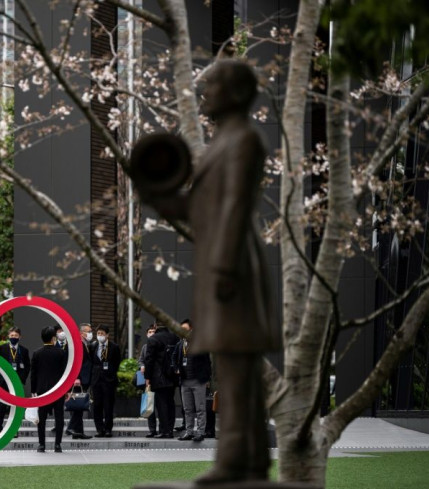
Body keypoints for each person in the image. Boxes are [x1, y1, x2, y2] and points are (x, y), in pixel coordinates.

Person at [130, 60, 280, 483]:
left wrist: (226, 269)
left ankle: (244, 461)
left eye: (211, 87)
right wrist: (156, 194)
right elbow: (201, 210)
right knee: (230, 369)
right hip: (221, 262)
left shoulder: (244, 140)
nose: (205, 94)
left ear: (233, 93)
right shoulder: (222, 143)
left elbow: (233, 207)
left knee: (238, 368)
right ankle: (239, 459)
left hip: (233, 265)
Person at [30, 326, 67, 453]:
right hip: (58, 390)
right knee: (59, 417)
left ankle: (41, 445)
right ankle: (58, 445)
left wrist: (33, 390)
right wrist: (66, 390)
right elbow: (64, 373)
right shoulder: (61, 352)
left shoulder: (37, 353)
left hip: (42, 390)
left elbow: (33, 374)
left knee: (41, 418)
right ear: (53, 338)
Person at [174, 319, 211, 442]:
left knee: (200, 408)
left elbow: (207, 362)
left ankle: (200, 432)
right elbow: (175, 359)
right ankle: (189, 431)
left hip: (198, 380)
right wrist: (176, 368)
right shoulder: (180, 344)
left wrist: (206, 379)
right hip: (184, 381)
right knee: (187, 408)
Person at [0, 327, 30, 436]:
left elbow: (27, 366)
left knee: (15, 407)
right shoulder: (2, 348)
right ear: (9, 336)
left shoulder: (24, 350)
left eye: (16, 336)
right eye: (12, 336)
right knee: (1, 406)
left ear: (20, 337)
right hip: (3, 382)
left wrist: (21, 379)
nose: (14, 337)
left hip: (16, 383)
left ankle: (13, 430)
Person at [144, 323, 179, 438]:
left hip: (157, 377)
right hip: (172, 376)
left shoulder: (153, 339)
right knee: (170, 403)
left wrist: (147, 378)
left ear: (155, 327)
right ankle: (170, 429)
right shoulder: (175, 337)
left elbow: (149, 360)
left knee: (161, 404)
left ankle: (164, 431)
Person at [90, 325, 121, 437]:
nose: (100, 336)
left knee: (108, 406)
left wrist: (111, 374)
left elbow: (117, 362)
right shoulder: (93, 346)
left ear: (107, 335)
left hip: (109, 380)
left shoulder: (114, 347)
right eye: (98, 333)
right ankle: (99, 429)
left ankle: (108, 429)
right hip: (96, 380)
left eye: (102, 334)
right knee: (97, 406)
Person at [66, 323, 94, 439]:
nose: (90, 333)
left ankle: (78, 432)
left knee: (79, 405)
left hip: (83, 379)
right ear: (81, 333)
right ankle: (71, 428)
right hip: (78, 380)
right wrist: (76, 378)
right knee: (78, 406)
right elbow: (75, 363)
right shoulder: (78, 344)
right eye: (88, 331)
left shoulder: (85, 344)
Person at [138, 324, 159, 437]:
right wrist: (142, 366)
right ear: (146, 334)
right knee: (149, 405)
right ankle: (152, 430)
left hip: (158, 379)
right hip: (147, 381)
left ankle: (162, 429)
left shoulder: (160, 346)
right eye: (150, 332)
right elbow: (140, 360)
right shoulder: (145, 347)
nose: (151, 334)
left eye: (153, 331)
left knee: (160, 406)